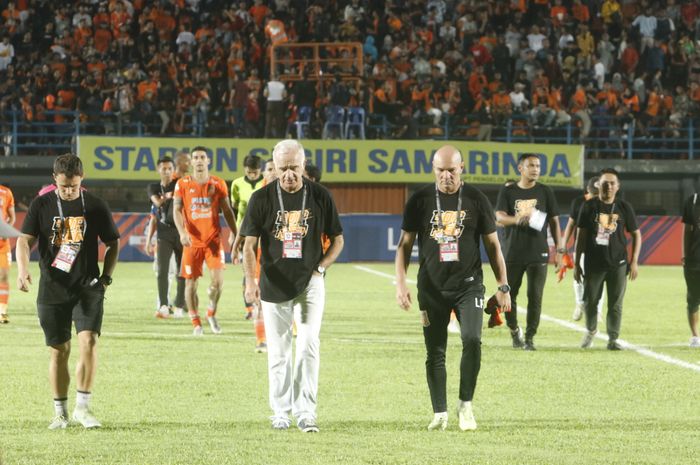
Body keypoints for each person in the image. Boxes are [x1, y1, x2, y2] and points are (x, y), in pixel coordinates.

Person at [395, 145, 511, 432]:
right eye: (440, 170)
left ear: (462, 169)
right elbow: (404, 245)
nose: (446, 175)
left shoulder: (476, 199)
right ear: (434, 169)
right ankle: (440, 412)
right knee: (435, 351)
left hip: (468, 286)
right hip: (431, 289)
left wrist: (503, 286)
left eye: (451, 170)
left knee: (472, 339)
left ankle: (466, 406)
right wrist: (400, 283)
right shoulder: (420, 200)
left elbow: (493, 246)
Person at [241, 139, 344, 432]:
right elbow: (248, 246)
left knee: (309, 344)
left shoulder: (321, 196)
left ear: (303, 164)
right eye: (283, 168)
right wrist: (251, 281)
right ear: (273, 167)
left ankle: (306, 411)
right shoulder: (261, 199)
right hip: (273, 283)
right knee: (279, 350)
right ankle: (281, 411)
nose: (288, 174)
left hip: (309, 283)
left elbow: (338, 239)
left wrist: (320, 269)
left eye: (294, 168)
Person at [15, 154, 120, 429]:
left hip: (87, 287)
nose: (69, 191)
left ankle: (82, 409)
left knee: (89, 342)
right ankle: (60, 413)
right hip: (52, 289)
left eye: (74, 186)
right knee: (59, 351)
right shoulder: (42, 204)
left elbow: (112, 243)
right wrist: (22, 270)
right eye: (64, 187)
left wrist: (106, 278)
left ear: (81, 179)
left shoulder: (95, 206)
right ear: (55, 180)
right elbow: (24, 241)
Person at [495, 153, 562, 350]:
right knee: (509, 295)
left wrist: (560, 249)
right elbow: (499, 216)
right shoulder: (508, 191)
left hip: (538, 252)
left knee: (535, 297)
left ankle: (530, 337)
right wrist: (517, 219)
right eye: (531, 165)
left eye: (538, 166)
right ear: (520, 169)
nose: (535, 169)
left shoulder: (545, 191)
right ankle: (515, 331)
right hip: (512, 252)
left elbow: (554, 221)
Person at [575, 168, 642, 350]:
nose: (609, 186)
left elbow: (636, 235)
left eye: (612, 183)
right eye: (605, 183)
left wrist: (634, 261)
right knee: (590, 301)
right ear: (599, 185)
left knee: (615, 304)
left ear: (618, 186)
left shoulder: (624, 207)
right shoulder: (588, 206)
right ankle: (591, 330)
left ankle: (613, 339)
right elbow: (581, 236)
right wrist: (576, 263)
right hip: (593, 263)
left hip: (618, 264)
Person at [173, 146, 238, 336]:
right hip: (191, 242)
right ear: (191, 162)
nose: (199, 160)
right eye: (196, 157)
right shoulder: (182, 184)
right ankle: (196, 323)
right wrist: (182, 232)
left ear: (208, 161)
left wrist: (236, 234)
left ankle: (211, 312)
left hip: (213, 241)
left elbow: (227, 211)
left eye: (202, 157)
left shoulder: (218, 183)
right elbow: (176, 210)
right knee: (190, 285)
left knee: (218, 283)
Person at [147, 156, 185, 319]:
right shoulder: (153, 187)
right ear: (158, 170)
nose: (167, 171)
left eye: (170, 168)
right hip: (164, 232)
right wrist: (149, 240)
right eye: (164, 168)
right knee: (162, 271)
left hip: (181, 231)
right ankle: (163, 305)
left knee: (182, 271)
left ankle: (180, 305)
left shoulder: (180, 183)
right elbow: (157, 205)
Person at [562, 176, 604, 322]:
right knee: (578, 276)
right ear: (588, 191)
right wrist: (563, 245)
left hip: (600, 248)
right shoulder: (579, 202)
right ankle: (580, 304)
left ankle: (598, 309)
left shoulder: (606, 203)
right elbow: (570, 224)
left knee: (599, 279)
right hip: (582, 247)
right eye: (594, 195)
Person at [230, 154, 264, 322]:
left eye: (255, 172)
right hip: (244, 232)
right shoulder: (236, 184)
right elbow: (235, 209)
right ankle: (250, 307)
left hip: (264, 233)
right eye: (250, 172)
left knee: (264, 270)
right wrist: (233, 233)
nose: (252, 175)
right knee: (248, 271)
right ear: (245, 169)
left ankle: (264, 306)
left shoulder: (266, 183)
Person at [682, 192, 700, 347]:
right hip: (695, 259)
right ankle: (695, 336)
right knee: (693, 298)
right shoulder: (693, 201)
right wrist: (686, 256)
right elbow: (688, 230)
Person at [0, 183, 16, 323]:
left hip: (2, 244)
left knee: (3, 277)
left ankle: (2, 311)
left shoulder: (6, 192)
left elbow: (12, 217)